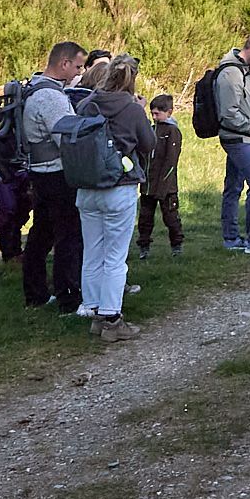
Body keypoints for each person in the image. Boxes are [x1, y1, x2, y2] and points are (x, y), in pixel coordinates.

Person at [77, 54, 158, 343]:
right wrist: (141, 112)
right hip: (119, 185)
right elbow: (149, 144)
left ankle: (95, 312)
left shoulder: (86, 104)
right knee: (115, 256)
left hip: (86, 187)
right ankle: (112, 318)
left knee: (93, 252)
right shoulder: (131, 109)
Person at [19, 40, 89, 311]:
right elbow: (66, 139)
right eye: (78, 66)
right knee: (68, 236)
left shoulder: (35, 88)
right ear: (64, 64)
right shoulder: (51, 97)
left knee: (41, 234)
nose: (79, 73)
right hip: (57, 174)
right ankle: (69, 298)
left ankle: (35, 293)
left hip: (39, 172)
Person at [213, 32, 250, 254]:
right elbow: (228, 113)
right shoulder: (231, 73)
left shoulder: (243, 70)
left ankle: (231, 238)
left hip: (245, 138)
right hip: (239, 138)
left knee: (233, 187)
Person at [136, 92, 184, 256]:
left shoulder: (172, 132)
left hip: (166, 187)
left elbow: (171, 160)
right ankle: (144, 246)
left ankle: (176, 245)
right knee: (145, 219)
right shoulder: (151, 129)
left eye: (158, 113)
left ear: (169, 112)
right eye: (152, 113)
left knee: (171, 218)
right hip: (148, 184)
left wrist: (163, 187)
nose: (155, 117)